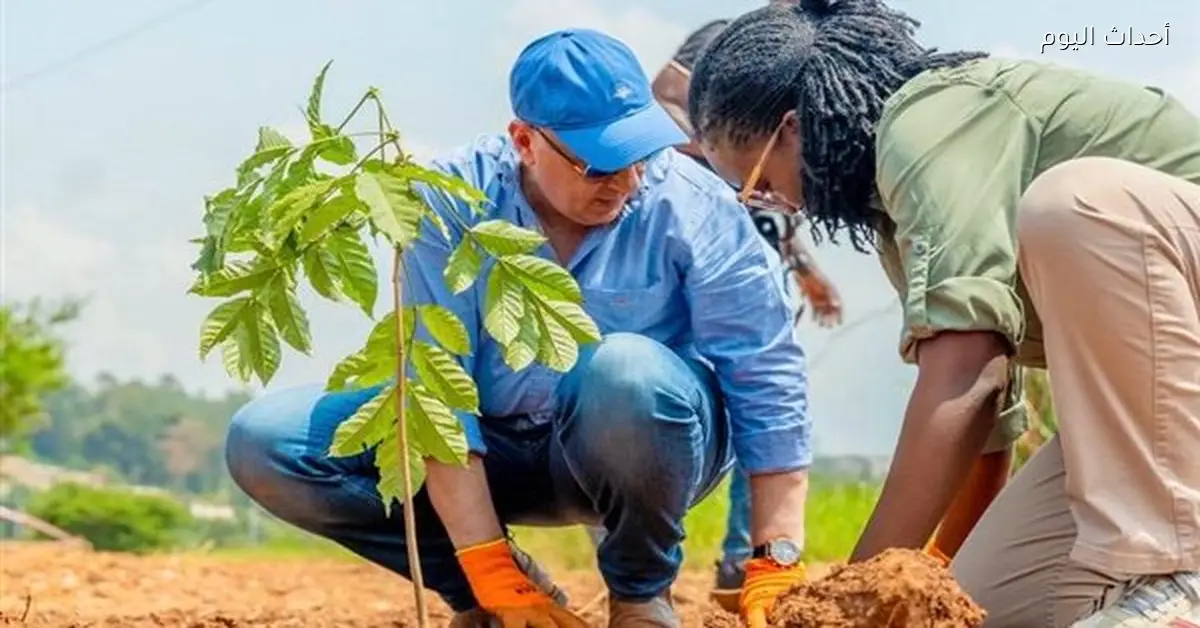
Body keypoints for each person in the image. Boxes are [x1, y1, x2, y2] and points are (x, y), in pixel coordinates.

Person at [225, 28, 813, 628]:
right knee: (268, 441)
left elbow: (762, 370)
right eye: (599, 165)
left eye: (639, 155)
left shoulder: (690, 205)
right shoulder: (449, 204)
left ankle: (640, 593)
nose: (627, 181)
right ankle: (492, 591)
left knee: (626, 373)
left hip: (643, 447)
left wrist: (775, 552)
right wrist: (488, 567)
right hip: (497, 448)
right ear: (525, 142)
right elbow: (437, 393)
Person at [685, 0, 1200, 625]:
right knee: (987, 610)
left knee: (1078, 204)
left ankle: (1176, 574)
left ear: (792, 128)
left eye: (758, 184)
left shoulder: (928, 121)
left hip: (1177, 404)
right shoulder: (895, 217)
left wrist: (848, 605)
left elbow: (967, 374)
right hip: (1168, 421)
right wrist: (916, 589)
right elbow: (984, 429)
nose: (774, 204)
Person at [651, 12, 845, 608]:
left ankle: (744, 559)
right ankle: (642, 564)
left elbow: (777, 206)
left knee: (760, 406)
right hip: (695, 272)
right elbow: (663, 93)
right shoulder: (725, 53)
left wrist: (807, 272)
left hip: (758, 276)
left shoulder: (806, 73)